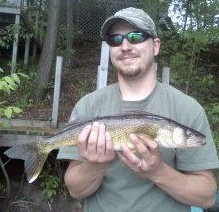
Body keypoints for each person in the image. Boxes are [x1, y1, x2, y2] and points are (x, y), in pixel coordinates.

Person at [57, 7, 219, 212]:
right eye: (115, 39)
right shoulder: (88, 105)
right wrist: (95, 165)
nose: (125, 45)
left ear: (155, 46)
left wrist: (157, 171)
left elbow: (207, 197)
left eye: (136, 37)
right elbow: (75, 191)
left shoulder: (187, 109)